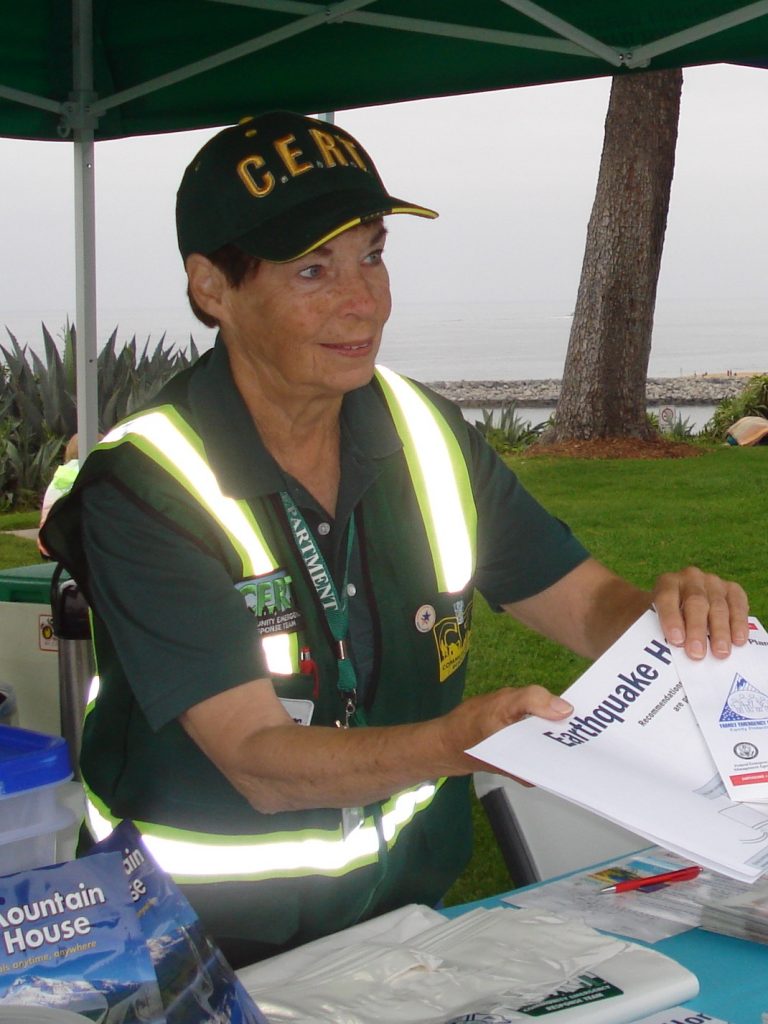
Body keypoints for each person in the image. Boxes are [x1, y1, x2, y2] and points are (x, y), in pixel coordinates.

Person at [41, 111, 749, 968]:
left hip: (404, 932)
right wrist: (458, 740)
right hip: (189, 950)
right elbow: (258, 761)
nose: (363, 300)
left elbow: (589, 602)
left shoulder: (425, 431)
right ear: (211, 288)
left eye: (372, 255)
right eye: (313, 269)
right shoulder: (145, 486)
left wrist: (674, 615)